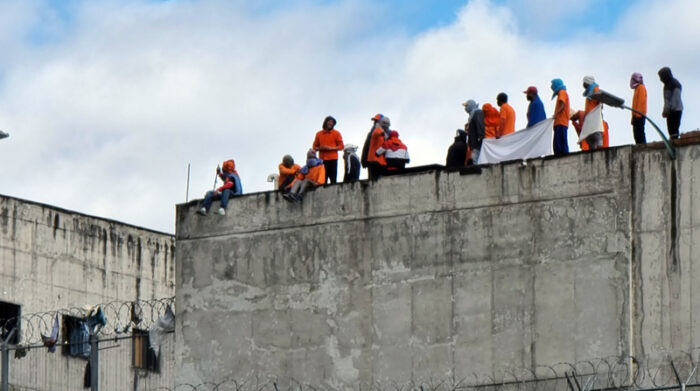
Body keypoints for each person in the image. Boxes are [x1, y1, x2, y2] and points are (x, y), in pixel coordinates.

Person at [312, 115, 344, 184]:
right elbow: (314, 147)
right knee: (323, 179)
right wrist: (320, 148)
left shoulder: (336, 133)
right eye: (329, 121)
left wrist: (330, 148)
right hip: (322, 160)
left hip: (333, 159)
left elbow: (341, 146)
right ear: (325, 122)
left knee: (333, 179)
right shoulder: (319, 134)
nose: (330, 123)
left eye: (332, 122)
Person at [658, 66, 683, 139]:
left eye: (661, 77)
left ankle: (673, 146)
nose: (660, 79)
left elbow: (667, 100)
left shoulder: (668, 85)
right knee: (675, 130)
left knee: (672, 131)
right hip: (679, 109)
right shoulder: (677, 83)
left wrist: (666, 111)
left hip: (672, 111)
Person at [582, 75, 603, 149]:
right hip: (589, 116)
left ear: (588, 82)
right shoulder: (589, 92)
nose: (583, 84)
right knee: (589, 136)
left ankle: (600, 149)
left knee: (596, 133)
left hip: (594, 115)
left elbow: (600, 102)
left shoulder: (595, 89)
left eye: (584, 82)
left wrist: (598, 113)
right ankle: (592, 150)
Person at [366, 116, 390, 180]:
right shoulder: (377, 130)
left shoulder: (386, 133)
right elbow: (377, 133)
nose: (374, 123)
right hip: (374, 161)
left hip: (381, 162)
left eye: (376, 121)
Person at [551, 78, 570, 155]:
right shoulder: (560, 93)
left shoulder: (562, 92)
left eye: (552, 84)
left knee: (560, 142)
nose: (551, 86)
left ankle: (563, 155)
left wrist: (556, 114)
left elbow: (562, 104)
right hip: (559, 122)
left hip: (561, 121)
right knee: (557, 141)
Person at [463, 99, 484, 165]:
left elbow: (480, 124)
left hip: (476, 142)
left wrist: (480, 137)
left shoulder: (477, 112)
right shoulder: (472, 114)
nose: (465, 108)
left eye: (466, 106)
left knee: (475, 159)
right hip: (473, 143)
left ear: (471, 105)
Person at [629, 73, 647, 144]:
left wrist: (638, 115)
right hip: (636, 115)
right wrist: (633, 117)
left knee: (640, 133)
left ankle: (642, 145)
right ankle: (639, 144)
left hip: (639, 115)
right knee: (636, 134)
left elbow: (640, 102)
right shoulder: (637, 89)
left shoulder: (641, 87)